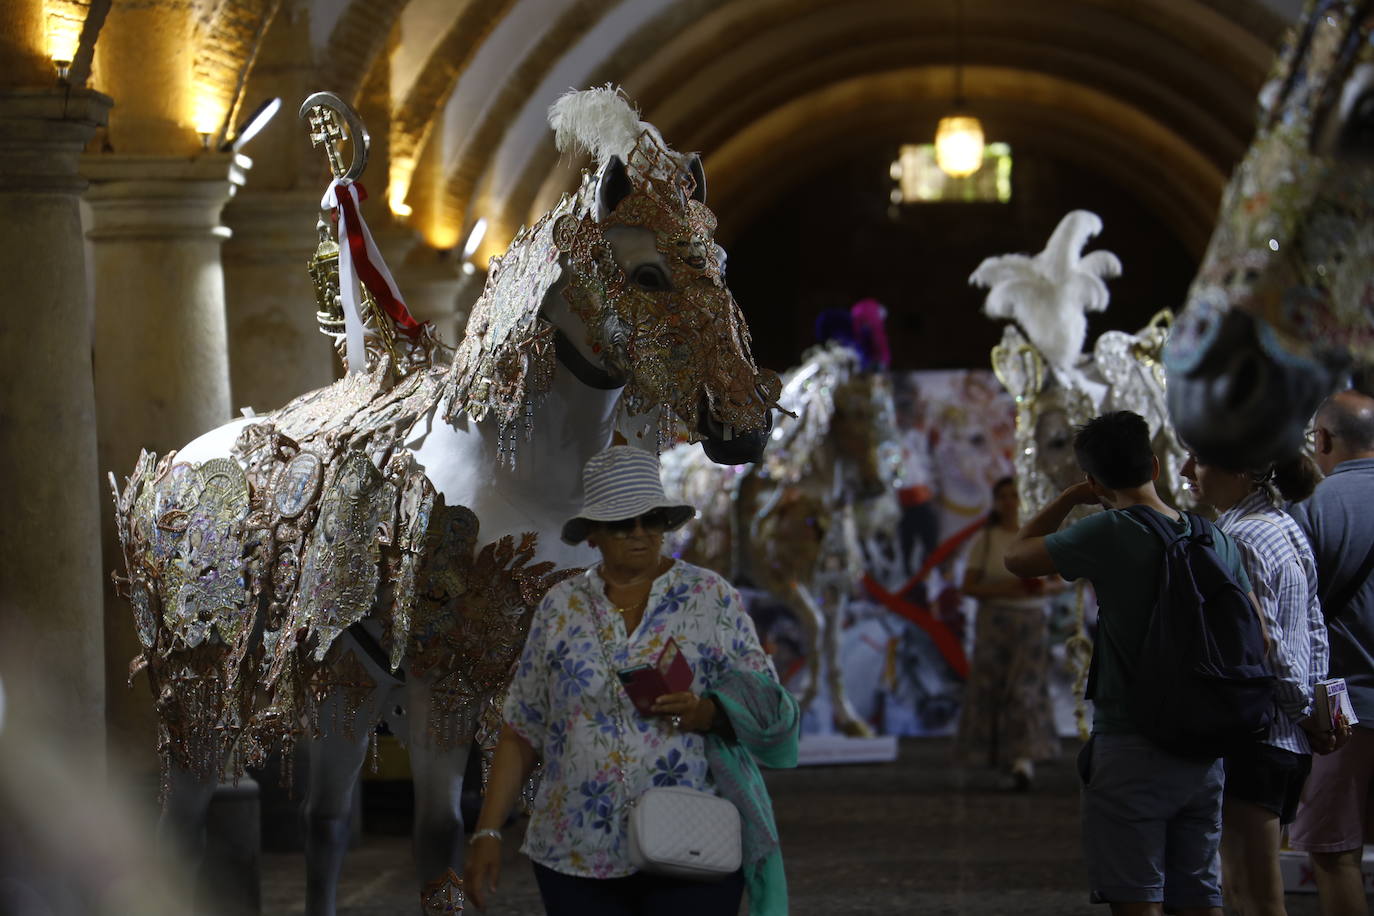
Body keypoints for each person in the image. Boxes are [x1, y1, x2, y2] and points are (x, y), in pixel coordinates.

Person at [463, 446, 800, 916]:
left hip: (693, 839)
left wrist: (710, 712)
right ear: (593, 535)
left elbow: (765, 700)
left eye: (652, 520)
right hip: (575, 846)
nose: (640, 533)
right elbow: (522, 727)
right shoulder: (561, 607)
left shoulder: (710, 596)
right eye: (623, 523)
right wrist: (488, 831)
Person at [1004, 410, 1253, 916]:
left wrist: (1071, 498)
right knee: (1202, 896)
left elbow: (1017, 556)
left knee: (1137, 897)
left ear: (1095, 479)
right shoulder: (1216, 538)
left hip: (1131, 740)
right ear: (1156, 467)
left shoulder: (1108, 533)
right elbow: (1258, 634)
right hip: (1207, 746)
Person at [1179, 449, 1333, 916]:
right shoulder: (1282, 524)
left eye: (1199, 461)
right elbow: (1313, 627)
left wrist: (1306, 712)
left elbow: (1266, 642)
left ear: (1241, 472)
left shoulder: (1237, 536)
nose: (1186, 471)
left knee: (1252, 896)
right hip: (1285, 741)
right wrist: (1319, 708)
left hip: (1257, 734)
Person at [1286, 388, 1374, 915]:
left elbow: (1295, 620)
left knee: (1334, 852)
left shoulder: (1309, 510)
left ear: (1321, 440)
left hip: (1342, 706)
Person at [954, 476, 1061, 790]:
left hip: (1031, 621)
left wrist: (1038, 588)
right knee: (992, 687)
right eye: (1003, 496)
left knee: (1024, 689)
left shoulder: (1039, 537)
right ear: (996, 502)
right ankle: (994, 754)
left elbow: (1059, 581)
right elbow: (969, 586)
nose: (1010, 501)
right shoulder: (985, 541)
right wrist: (1006, 589)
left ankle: (1023, 758)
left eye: (1015, 495)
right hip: (995, 621)